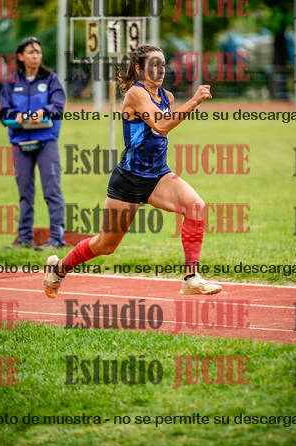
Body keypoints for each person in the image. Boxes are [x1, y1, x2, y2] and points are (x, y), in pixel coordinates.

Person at [43, 44, 222, 295]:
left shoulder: (167, 97)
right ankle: (59, 269)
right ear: (139, 69)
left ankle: (191, 278)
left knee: (195, 207)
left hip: (158, 176)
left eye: (163, 64)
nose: (161, 69)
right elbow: (161, 125)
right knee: (105, 245)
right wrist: (194, 101)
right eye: (154, 64)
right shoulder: (136, 94)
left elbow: (164, 127)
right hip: (129, 179)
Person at [0, 36, 66, 249]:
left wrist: (43, 112)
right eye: (31, 52)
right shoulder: (12, 83)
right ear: (20, 56)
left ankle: (56, 239)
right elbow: (3, 113)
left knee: (52, 190)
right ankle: (24, 239)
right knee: (24, 193)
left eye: (38, 51)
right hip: (20, 143)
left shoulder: (51, 79)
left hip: (46, 142)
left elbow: (58, 105)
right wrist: (15, 116)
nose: (35, 55)